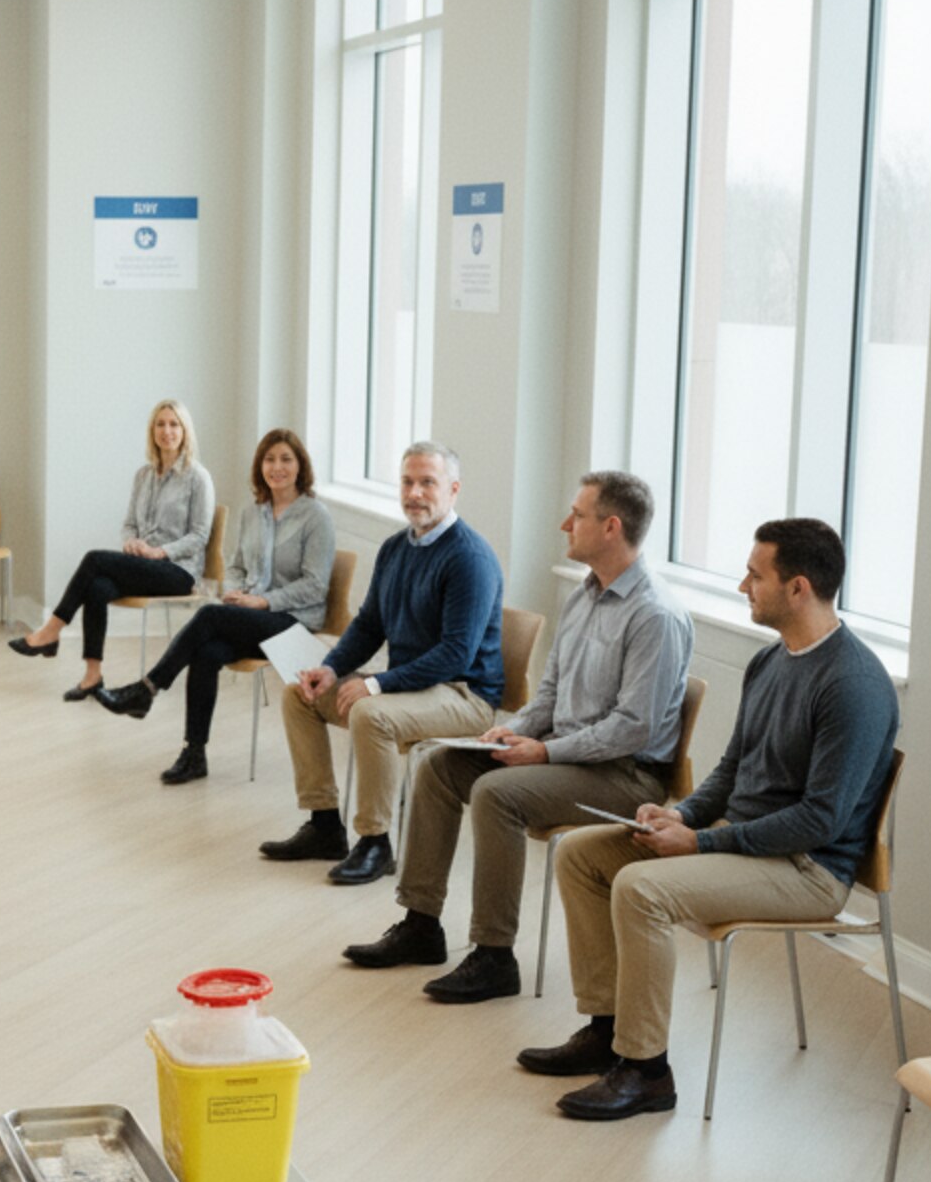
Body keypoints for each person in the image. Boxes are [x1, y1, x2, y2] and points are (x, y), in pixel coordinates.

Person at [522, 518, 898, 1121]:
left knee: (641, 889)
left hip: (805, 869)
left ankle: (646, 1071)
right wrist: (679, 814)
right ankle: (607, 1028)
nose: (743, 584)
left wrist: (700, 842)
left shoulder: (853, 685)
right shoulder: (770, 661)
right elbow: (730, 769)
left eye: (756, 574)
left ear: (798, 587)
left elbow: (820, 822)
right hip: (742, 846)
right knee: (582, 855)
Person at [343, 471, 693, 1001]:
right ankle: (420, 924)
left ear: (611, 528)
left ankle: (493, 955)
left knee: (497, 794)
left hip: (625, 776)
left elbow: (632, 728)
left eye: (577, 515)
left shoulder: (655, 615)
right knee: (439, 766)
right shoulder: (582, 597)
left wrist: (545, 750)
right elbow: (550, 693)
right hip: (567, 757)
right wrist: (514, 730)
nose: (564, 524)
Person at [261, 442, 503, 885]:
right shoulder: (395, 548)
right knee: (301, 695)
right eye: (408, 482)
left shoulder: (469, 558)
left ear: (453, 489)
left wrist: (376, 685)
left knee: (370, 714)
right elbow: (370, 623)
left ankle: (376, 842)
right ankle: (323, 824)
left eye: (427, 483)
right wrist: (331, 668)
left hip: (464, 695)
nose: (415, 493)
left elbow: (456, 654)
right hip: (410, 687)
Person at [96, 427, 336, 784]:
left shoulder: (316, 516)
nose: (277, 467)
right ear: (260, 467)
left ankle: (148, 688)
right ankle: (194, 754)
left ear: (301, 466)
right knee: (207, 651)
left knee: (208, 615)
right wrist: (238, 592)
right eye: (270, 460)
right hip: (251, 617)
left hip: (294, 624)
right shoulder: (253, 512)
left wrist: (263, 600)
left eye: (286, 459)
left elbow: (316, 586)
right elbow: (237, 565)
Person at [9, 399, 214, 701]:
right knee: (98, 586)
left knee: (94, 559)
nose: (167, 431)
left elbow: (199, 535)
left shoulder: (198, 477)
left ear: (185, 431)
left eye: (174, 424)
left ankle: (52, 630)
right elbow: (129, 524)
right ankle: (92, 677)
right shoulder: (143, 476)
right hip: (143, 564)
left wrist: (161, 552)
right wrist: (131, 542)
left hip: (178, 571)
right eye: (160, 424)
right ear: (152, 430)